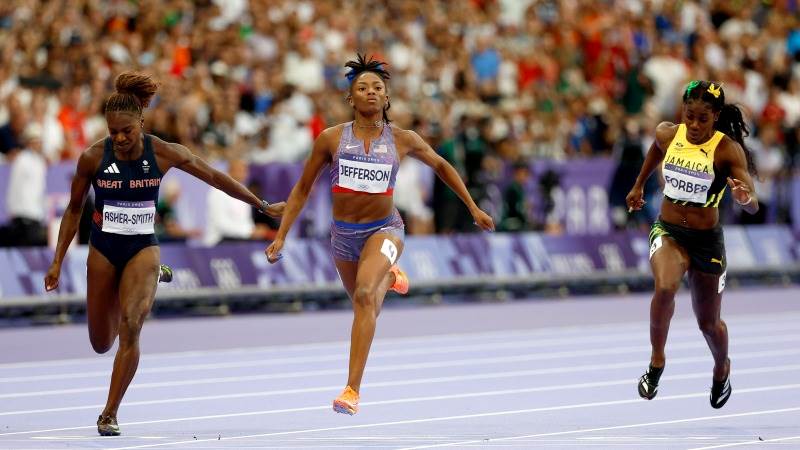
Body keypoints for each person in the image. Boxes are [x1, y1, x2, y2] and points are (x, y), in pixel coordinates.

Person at [43, 72, 284, 436]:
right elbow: (74, 210)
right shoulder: (92, 157)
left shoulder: (164, 152)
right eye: (113, 132)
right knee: (100, 342)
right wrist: (58, 260)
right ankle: (152, 276)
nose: (120, 138)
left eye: (127, 130)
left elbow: (215, 177)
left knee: (132, 326)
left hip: (142, 246)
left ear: (141, 120)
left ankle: (109, 412)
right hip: (104, 249)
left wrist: (261, 204)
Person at [266, 54, 494, 415]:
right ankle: (390, 277)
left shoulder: (402, 139)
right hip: (343, 236)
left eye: (377, 88)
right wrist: (282, 235)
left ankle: (351, 390)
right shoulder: (330, 139)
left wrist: (472, 207)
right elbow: (302, 188)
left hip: (385, 229)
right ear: (350, 98)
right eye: (362, 88)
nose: (370, 92)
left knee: (363, 296)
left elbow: (442, 166)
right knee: (365, 302)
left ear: (386, 97)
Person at [626, 80, 758, 409]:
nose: (695, 125)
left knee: (708, 323)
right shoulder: (670, 133)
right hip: (669, 230)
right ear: (682, 112)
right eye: (689, 116)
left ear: (715, 116)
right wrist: (639, 184)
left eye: (703, 119)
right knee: (666, 286)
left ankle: (721, 368)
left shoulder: (727, 149)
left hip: (706, 242)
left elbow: (752, 201)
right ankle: (657, 362)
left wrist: (745, 197)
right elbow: (657, 148)